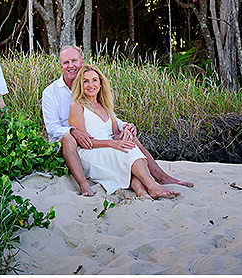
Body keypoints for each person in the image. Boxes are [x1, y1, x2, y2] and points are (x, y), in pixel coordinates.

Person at [41, 46, 193, 196]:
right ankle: (84, 184)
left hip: (96, 140)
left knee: (129, 139)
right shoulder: (51, 93)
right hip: (71, 144)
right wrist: (72, 131)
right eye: (66, 62)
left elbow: (102, 119)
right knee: (69, 138)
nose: (71, 65)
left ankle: (159, 179)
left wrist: (125, 126)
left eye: (74, 60)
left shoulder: (98, 100)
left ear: (81, 61)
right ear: (61, 65)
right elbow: (52, 128)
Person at [68, 65, 181, 199]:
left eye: (94, 80)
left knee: (130, 143)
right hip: (91, 152)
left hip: (109, 148)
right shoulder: (77, 106)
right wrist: (112, 144)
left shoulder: (105, 106)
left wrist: (126, 131)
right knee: (130, 151)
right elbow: (84, 143)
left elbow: (115, 134)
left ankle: (141, 192)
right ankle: (153, 186)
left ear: (100, 83)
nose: (90, 85)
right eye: (85, 81)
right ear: (80, 84)